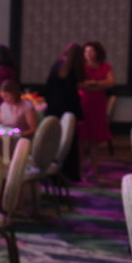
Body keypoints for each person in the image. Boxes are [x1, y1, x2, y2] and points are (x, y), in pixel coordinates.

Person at [45, 42, 85, 182]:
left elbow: (48, 89)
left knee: (56, 141)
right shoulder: (71, 70)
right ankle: (68, 174)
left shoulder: (58, 65)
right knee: (68, 143)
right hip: (66, 110)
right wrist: (79, 115)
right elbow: (72, 96)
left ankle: (55, 173)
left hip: (53, 109)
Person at [78, 41, 114, 180]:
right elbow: (80, 85)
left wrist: (94, 84)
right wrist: (96, 85)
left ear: (98, 52)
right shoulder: (81, 67)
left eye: (91, 51)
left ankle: (95, 171)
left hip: (98, 105)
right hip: (84, 103)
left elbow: (110, 83)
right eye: (86, 52)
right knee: (81, 140)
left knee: (94, 140)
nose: (89, 54)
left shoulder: (105, 66)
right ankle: (79, 171)